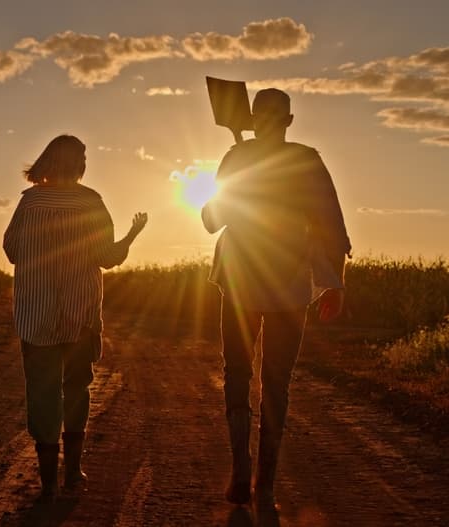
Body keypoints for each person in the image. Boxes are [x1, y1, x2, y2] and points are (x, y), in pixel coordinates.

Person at [201, 89, 351, 511]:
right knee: (276, 383)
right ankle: (264, 484)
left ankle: (240, 471)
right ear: (288, 120)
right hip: (289, 284)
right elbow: (331, 224)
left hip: (239, 281)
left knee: (237, 373)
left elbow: (211, 220)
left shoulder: (236, 158)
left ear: (253, 119)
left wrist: (234, 183)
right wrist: (335, 283)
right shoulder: (307, 159)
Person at [3, 134, 148, 502]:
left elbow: (12, 250)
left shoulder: (30, 202)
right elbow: (107, 257)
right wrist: (132, 234)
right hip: (80, 314)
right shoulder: (91, 202)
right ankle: (73, 474)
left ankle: (49, 483)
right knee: (76, 390)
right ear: (79, 164)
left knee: (42, 394)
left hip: (35, 316)